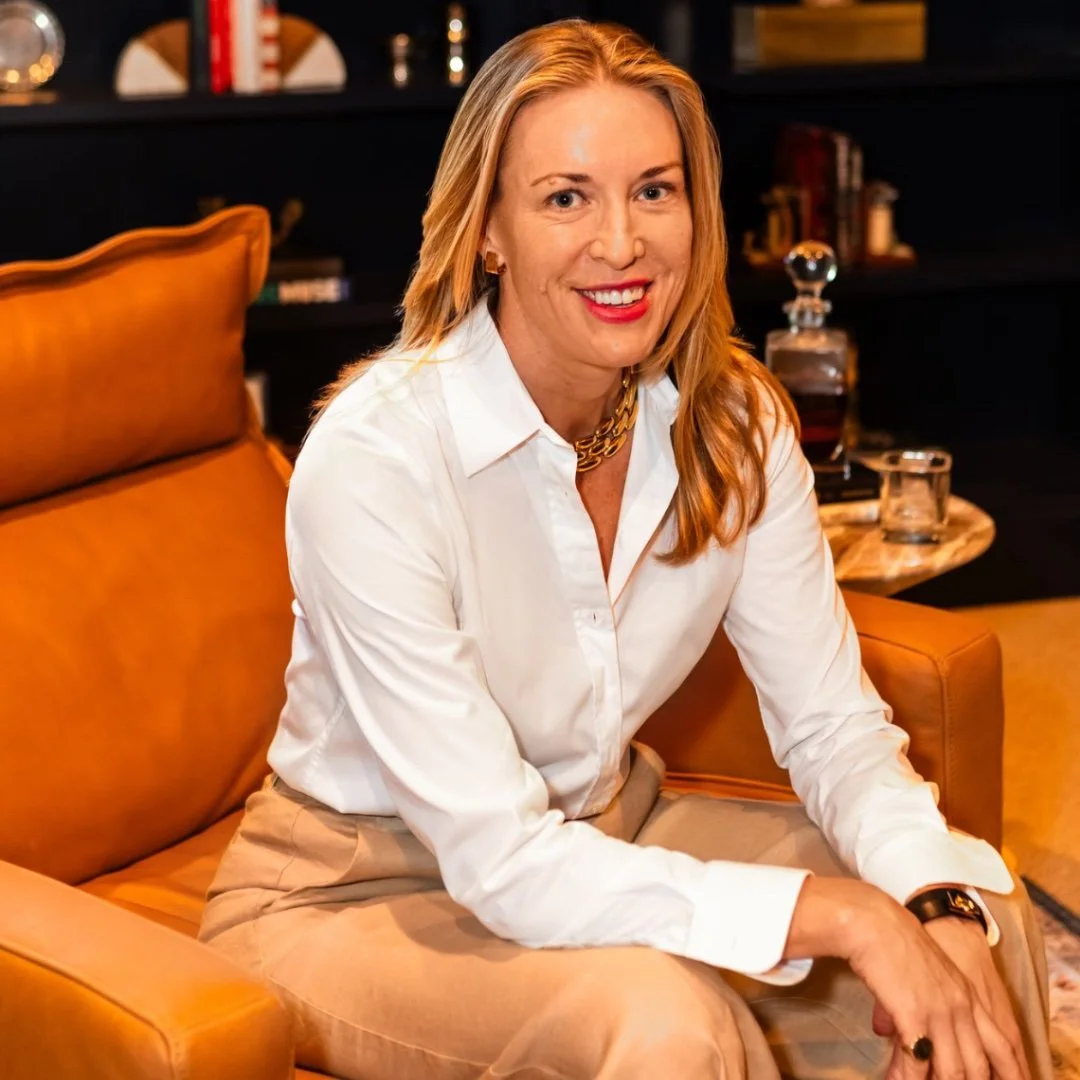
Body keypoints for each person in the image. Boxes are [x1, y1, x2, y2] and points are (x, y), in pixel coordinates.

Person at [199, 19, 1052, 1080]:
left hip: (603, 831)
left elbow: (833, 728)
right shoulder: (378, 458)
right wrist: (845, 916)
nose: (622, 242)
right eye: (566, 198)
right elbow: (502, 859)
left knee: (978, 924)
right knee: (667, 1021)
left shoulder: (733, 423)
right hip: (353, 893)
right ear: (489, 230)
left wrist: (926, 902)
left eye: (655, 190)